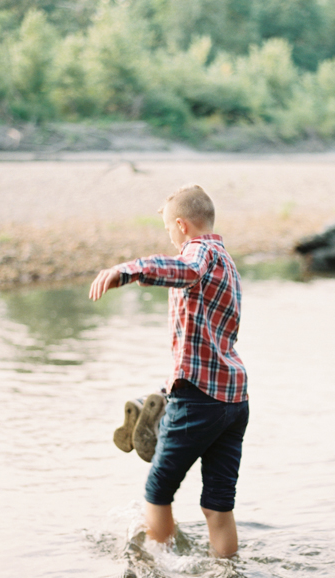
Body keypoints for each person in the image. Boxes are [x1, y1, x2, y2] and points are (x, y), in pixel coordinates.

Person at [88, 184, 249, 558]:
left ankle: (158, 572)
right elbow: (207, 342)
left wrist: (125, 271)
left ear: (181, 225)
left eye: (168, 230)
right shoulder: (227, 263)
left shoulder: (199, 254)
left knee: (157, 492)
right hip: (234, 400)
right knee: (218, 505)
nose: (171, 238)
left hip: (201, 400)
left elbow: (183, 268)